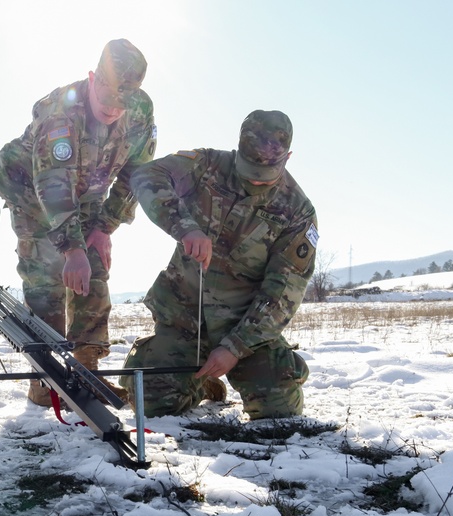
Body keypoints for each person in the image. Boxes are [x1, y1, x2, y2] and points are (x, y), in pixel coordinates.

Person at [0, 38, 157, 406]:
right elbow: (52, 183)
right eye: (108, 99)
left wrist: (104, 228)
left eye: (122, 103)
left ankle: (86, 368)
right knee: (47, 276)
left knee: (93, 267)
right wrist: (70, 247)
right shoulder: (59, 114)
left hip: (85, 193)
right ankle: (45, 382)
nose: (114, 110)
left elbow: (137, 176)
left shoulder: (140, 112)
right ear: (92, 78)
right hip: (31, 189)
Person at [120, 110, 318, 420]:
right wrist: (184, 226)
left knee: (277, 410)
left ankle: (281, 367)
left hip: (244, 329)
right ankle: (200, 383)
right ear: (238, 150)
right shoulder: (206, 165)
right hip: (184, 318)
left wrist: (235, 347)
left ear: (288, 157)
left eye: (266, 173)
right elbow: (146, 176)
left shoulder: (297, 212)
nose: (255, 179)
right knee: (152, 402)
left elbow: (282, 294)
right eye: (249, 168)